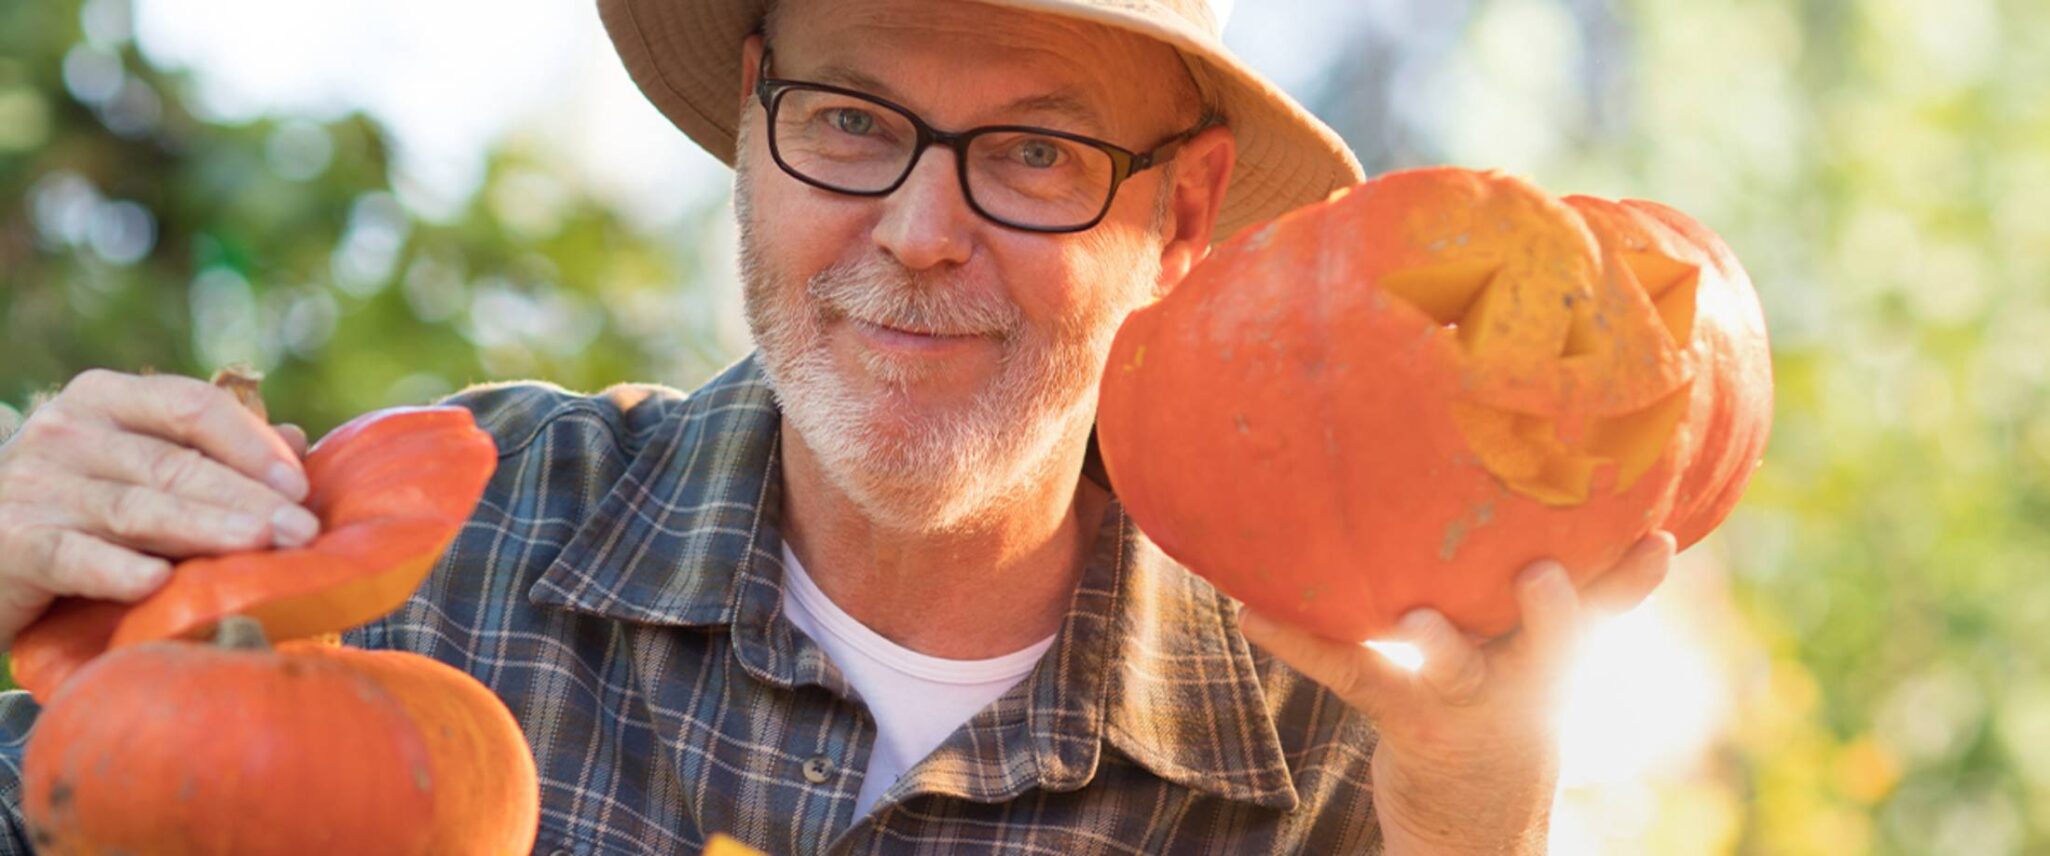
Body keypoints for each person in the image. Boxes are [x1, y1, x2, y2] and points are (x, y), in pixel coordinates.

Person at [0, 0, 1674, 852]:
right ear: (752, 126)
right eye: (851, 121)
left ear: (1181, 217)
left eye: (1032, 153)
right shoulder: (423, 558)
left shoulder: (1338, 742)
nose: (918, 233)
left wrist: (1474, 822)